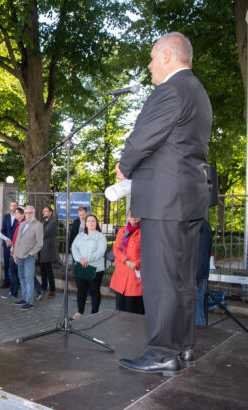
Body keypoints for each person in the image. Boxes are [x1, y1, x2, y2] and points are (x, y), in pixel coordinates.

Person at [115, 32, 212, 376]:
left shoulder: (170, 89)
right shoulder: (197, 91)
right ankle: (182, 347)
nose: (149, 64)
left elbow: (144, 137)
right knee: (183, 279)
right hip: (188, 201)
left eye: (153, 56)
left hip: (164, 202)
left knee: (160, 280)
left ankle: (161, 352)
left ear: (168, 56)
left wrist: (124, 165)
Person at [71, 214, 107, 319]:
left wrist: (88, 259)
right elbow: (74, 248)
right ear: (85, 223)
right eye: (89, 221)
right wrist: (80, 259)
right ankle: (80, 312)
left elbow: (101, 251)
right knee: (81, 290)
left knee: (94, 291)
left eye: (93, 221)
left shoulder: (100, 236)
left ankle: (94, 314)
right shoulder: (80, 236)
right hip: (81, 266)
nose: (91, 223)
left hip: (95, 268)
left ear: (96, 223)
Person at [110, 209, 143, 314]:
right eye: (130, 215)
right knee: (120, 306)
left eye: (135, 215)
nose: (133, 218)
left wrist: (137, 263)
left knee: (133, 307)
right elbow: (116, 248)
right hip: (121, 271)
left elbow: (148, 252)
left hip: (135, 273)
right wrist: (126, 260)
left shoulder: (144, 232)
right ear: (127, 217)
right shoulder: (123, 231)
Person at [12, 205, 44, 310]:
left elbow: (40, 243)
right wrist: (15, 254)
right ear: (24, 214)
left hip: (29, 257)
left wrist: (32, 253)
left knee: (29, 279)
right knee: (21, 277)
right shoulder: (21, 224)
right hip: (19, 255)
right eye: (26, 213)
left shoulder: (38, 225)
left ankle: (30, 302)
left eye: (30, 213)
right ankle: (25, 298)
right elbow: (17, 240)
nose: (28, 215)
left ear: (33, 213)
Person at [1, 206, 25, 300]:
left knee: (19, 274)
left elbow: (21, 239)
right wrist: (12, 245)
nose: (15, 214)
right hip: (13, 251)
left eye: (17, 213)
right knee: (13, 273)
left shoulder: (22, 224)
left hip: (18, 252)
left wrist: (14, 247)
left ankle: (37, 291)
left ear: (22, 214)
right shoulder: (19, 223)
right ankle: (13, 292)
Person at [195, 219, 213, 326]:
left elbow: (202, 254)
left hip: (196, 277)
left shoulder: (202, 225)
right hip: (191, 276)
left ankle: (202, 340)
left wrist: (195, 278)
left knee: (197, 312)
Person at [38, 206, 57, 299]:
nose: (43, 213)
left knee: (49, 271)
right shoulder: (43, 222)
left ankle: (52, 289)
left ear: (50, 213)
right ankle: (44, 287)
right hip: (41, 250)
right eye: (43, 211)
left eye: (45, 211)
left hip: (48, 250)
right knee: (42, 270)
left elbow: (44, 233)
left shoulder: (52, 222)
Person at [0, 200, 18, 288]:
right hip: (7, 245)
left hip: (16, 246)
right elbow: (3, 230)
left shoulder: (19, 217)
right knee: (6, 263)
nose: (13, 207)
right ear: (10, 207)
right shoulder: (6, 217)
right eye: (12, 205)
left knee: (16, 264)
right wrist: (6, 241)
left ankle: (17, 283)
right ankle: (6, 281)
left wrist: (14, 243)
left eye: (15, 205)